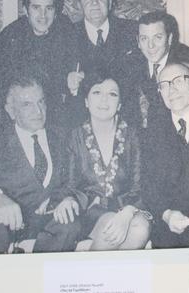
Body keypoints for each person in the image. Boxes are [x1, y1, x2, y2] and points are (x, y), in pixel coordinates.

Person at [0, 74, 81, 254]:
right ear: (11, 111)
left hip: (51, 230)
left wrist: (63, 200)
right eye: (27, 104)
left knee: (70, 224)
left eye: (41, 102)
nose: (38, 111)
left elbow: (74, 183)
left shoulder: (63, 139)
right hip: (6, 230)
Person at [64, 72, 150, 250]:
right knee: (112, 228)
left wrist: (127, 212)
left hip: (129, 208)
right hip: (90, 211)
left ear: (119, 105)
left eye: (112, 94)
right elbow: (70, 185)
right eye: (97, 92)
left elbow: (139, 185)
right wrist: (69, 200)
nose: (104, 100)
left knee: (140, 228)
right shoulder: (75, 136)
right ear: (86, 101)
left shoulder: (133, 136)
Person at [143, 62, 189, 248]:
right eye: (164, 85)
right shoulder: (153, 132)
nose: (171, 89)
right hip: (169, 229)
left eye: (178, 81)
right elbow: (148, 184)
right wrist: (166, 214)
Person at [0, 0, 76, 124]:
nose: (43, 15)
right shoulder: (9, 38)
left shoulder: (66, 30)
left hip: (57, 113)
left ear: (56, 12)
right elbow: (7, 95)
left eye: (49, 8)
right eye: (36, 8)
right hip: (23, 115)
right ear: (26, 10)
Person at [124, 11, 189, 128]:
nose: (151, 46)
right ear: (138, 42)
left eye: (158, 37)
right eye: (144, 38)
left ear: (169, 38)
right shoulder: (129, 64)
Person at [66, 0, 138, 108]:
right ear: (79, 5)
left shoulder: (131, 30)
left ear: (109, 2)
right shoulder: (66, 35)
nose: (94, 3)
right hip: (80, 115)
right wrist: (68, 81)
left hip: (125, 114)